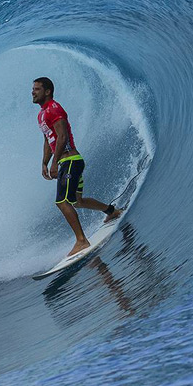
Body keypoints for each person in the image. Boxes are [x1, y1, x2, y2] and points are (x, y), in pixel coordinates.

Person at [32, 77, 123, 256]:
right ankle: (111, 211)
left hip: (70, 161)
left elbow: (63, 137)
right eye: (33, 89)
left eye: (37, 89)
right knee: (77, 201)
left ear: (47, 91)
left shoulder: (54, 109)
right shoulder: (41, 114)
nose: (33, 92)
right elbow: (48, 139)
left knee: (62, 202)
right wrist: (44, 162)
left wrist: (54, 163)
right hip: (67, 162)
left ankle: (81, 241)